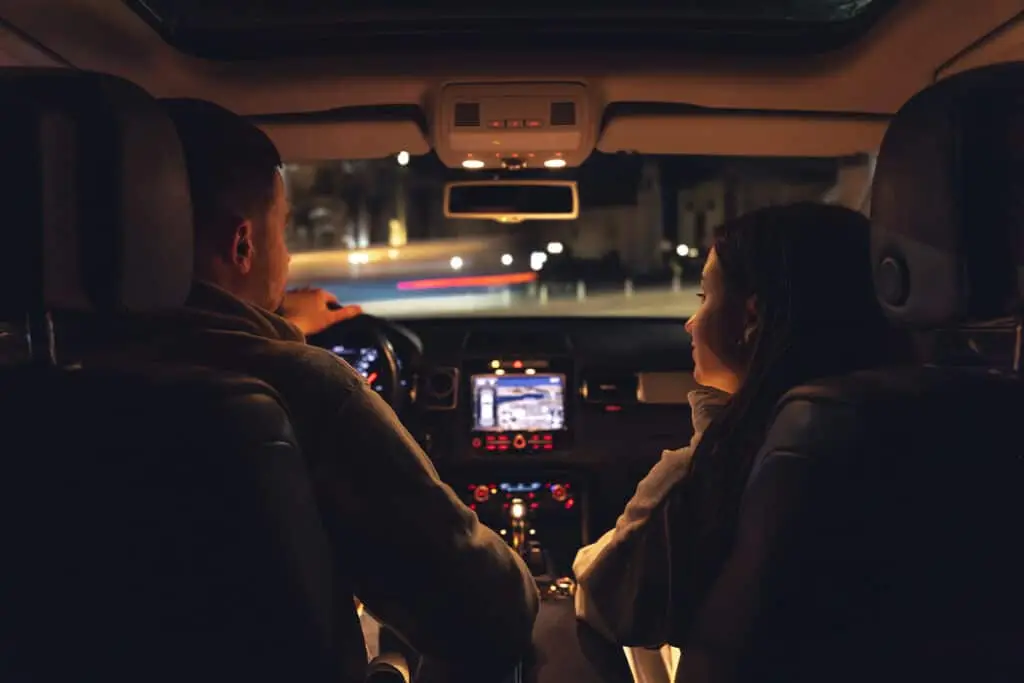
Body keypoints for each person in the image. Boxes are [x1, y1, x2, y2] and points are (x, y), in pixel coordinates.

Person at [83, 97, 540, 682]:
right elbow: (492, 610)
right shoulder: (308, 388)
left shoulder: (36, 374)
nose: (290, 255)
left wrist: (272, 322)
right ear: (243, 244)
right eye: (284, 229)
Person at [574, 203, 910, 679]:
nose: (690, 322)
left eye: (703, 296)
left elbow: (606, 603)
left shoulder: (703, 474)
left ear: (751, 318)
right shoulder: (926, 430)